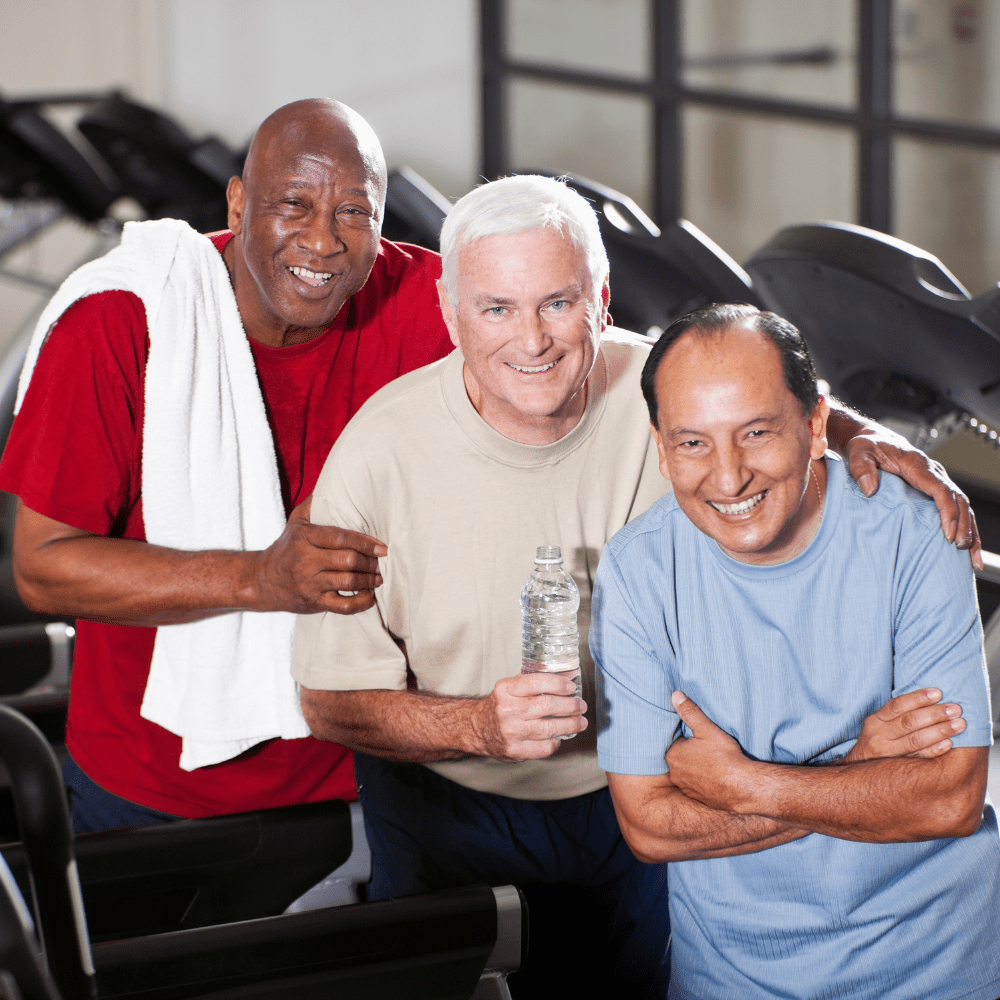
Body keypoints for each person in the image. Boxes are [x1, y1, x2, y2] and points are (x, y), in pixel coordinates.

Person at [292, 177, 979, 998]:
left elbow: (766, 399)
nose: (533, 341)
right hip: (456, 801)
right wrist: (477, 722)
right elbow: (330, 700)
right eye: (497, 309)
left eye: (556, 303)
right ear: (449, 313)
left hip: (635, 787)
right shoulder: (377, 454)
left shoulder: (667, 394)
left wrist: (872, 438)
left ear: (601, 299)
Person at [0, 98, 455, 831]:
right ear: (239, 203)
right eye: (294, 205)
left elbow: (578, 327)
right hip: (149, 787)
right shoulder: (122, 320)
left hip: (365, 778)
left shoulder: (429, 303)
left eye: (353, 213)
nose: (324, 241)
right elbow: (43, 567)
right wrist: (261, 577)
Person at [592, 302, 1000, 999]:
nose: (727, 478)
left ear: (816, 425)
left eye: (755, 433)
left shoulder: (916, 531)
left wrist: (742, 782)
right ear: (661, 448)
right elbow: (651, 827)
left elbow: (949, 800)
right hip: (732, 979)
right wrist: (862, 767)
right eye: (693, 444)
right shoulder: (637, 573)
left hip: (931, 970)